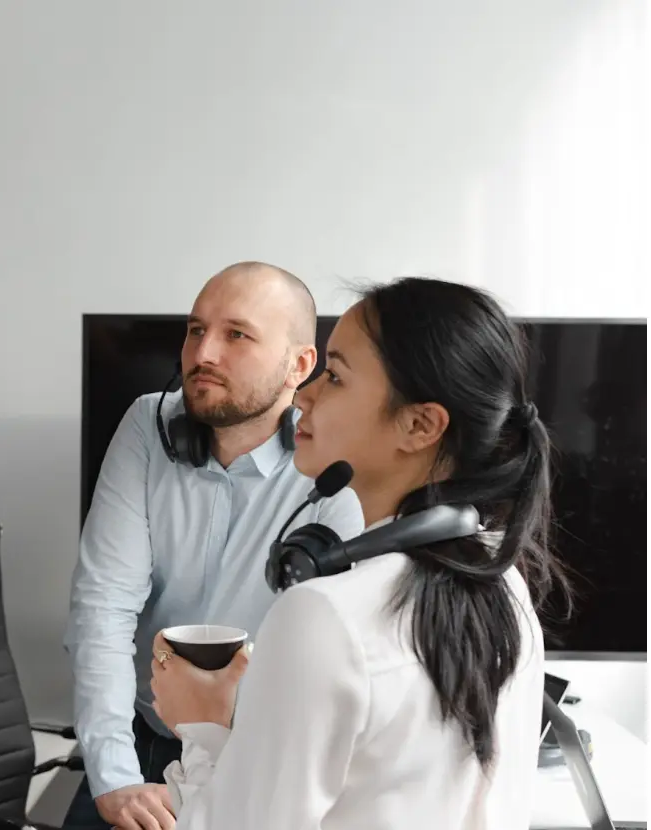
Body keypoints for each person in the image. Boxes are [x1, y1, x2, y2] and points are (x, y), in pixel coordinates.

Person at [149, 277, 569, 829]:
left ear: (419, 425)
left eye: (337, 376)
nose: (304, 396)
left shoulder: (325, 616)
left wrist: (201, 727)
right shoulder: (505, 584)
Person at [63, 262, 366, 830]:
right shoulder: (146, 425)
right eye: (196, 330)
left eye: (237, 335)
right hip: (143, 745)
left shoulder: (337, 462)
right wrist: (115, 777)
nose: (203, 353)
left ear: (300, 366)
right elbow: (102, 607)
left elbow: (344, 655)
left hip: (266, 755)